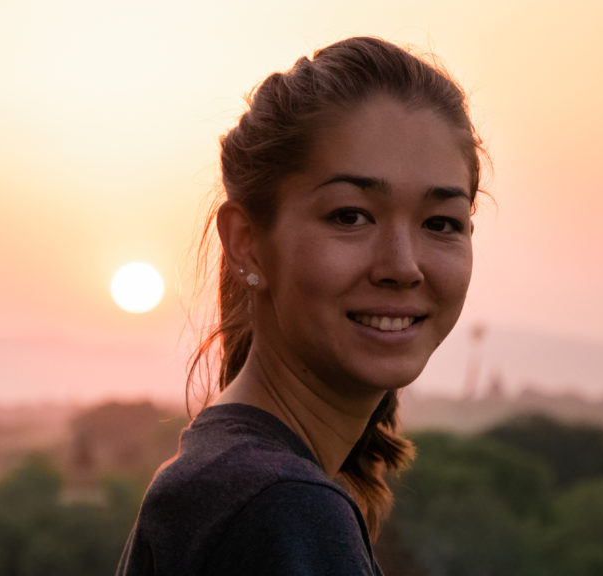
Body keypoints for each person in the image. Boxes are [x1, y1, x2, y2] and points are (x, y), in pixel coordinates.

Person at [116, 36, 482, 576]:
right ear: (247, 242)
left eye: (441, 223)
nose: (403, 266)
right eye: (350, 216)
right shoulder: (281, 507)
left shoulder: (228, 477)